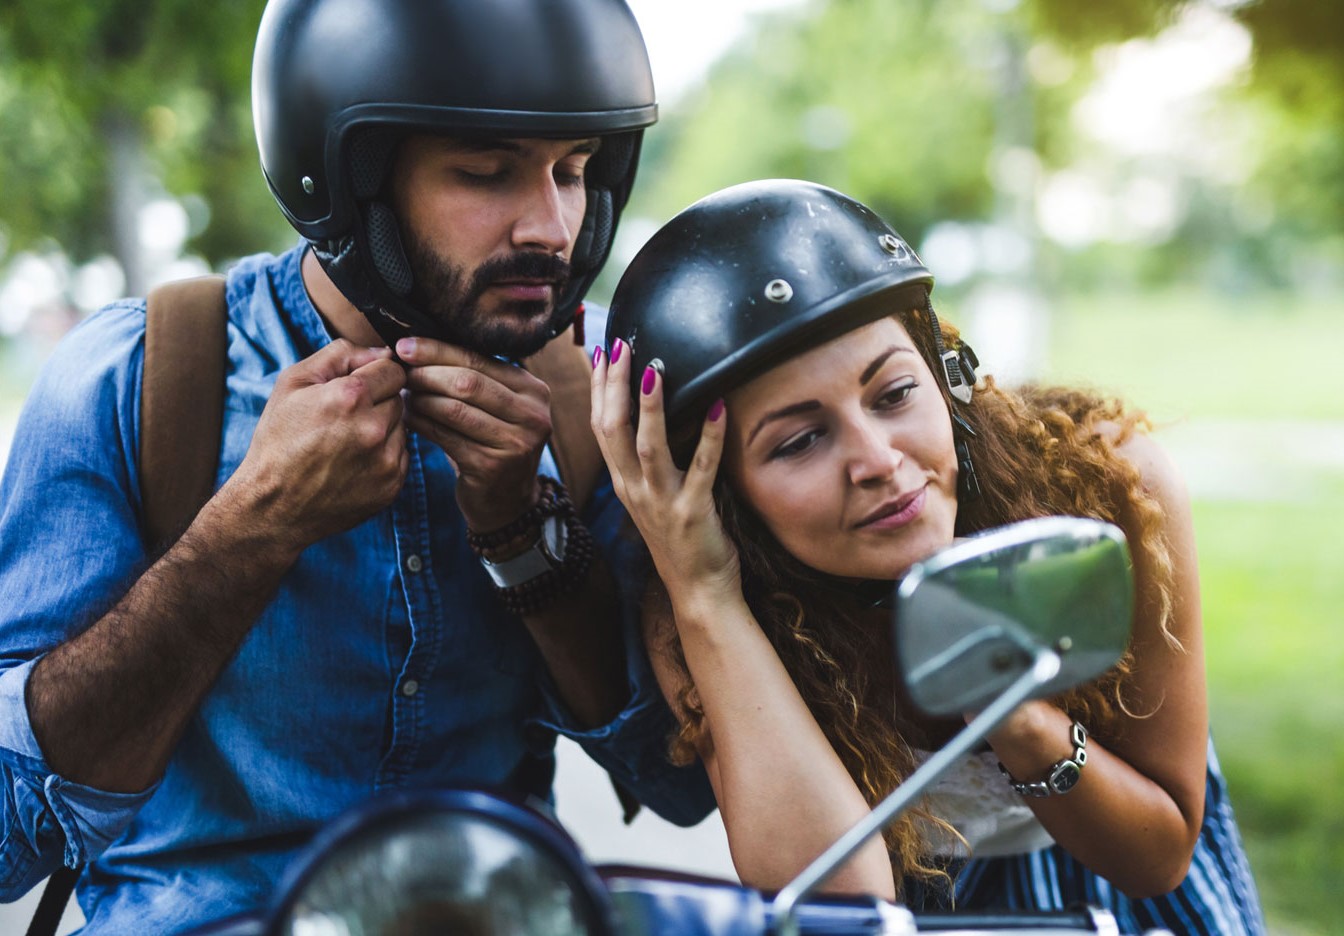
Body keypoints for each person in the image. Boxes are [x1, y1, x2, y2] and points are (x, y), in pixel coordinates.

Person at [0, 0, 712, 930]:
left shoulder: (605, 394)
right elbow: (11, 836)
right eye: (486, 172)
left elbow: (680, 781)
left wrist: (523, 531)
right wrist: (252, 526)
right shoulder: (137, 381)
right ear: (352, 183)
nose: (553, 226)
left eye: (574, 170)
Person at [589, 179, 1266, 935]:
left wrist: (1010, 710)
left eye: (894, 393)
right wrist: (706, 595)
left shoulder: (1109, 485)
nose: (877, 460)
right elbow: (840, 905)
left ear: (946, 376)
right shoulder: (698, 603)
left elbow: (1160, 853)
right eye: (799, 440)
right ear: (722, 497)